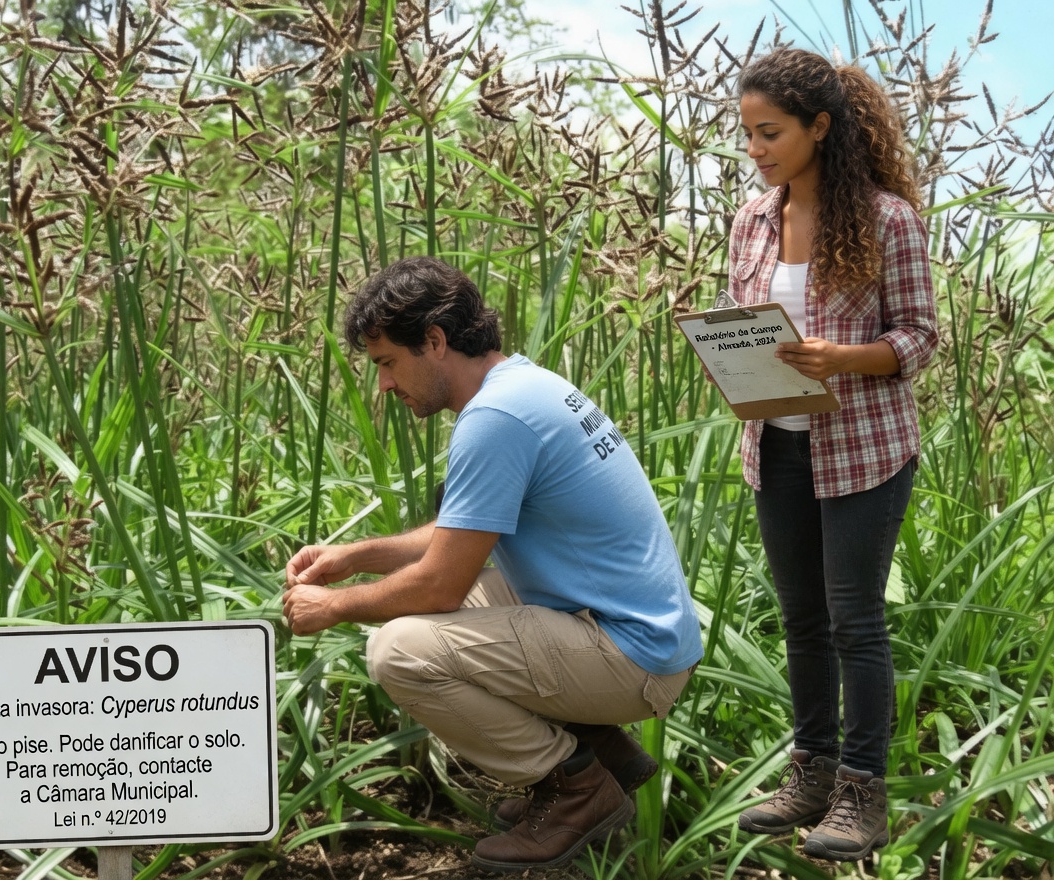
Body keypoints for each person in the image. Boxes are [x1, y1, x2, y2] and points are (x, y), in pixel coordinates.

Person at [283, 256, 704, 873]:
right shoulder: (523, 384)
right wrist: (356, 557)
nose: (383, 386)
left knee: (399, 650)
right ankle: (598, 747)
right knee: (464, 601)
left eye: (386, 364)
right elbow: (460, 535)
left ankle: (575, 789)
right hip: (631, 625)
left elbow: (440, 581)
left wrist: (334, 607)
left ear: (434, 341)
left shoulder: (495, 420)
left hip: (633, 655)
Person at [726, 49, 938, 861]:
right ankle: (808, 775)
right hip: (774, 444)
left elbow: (919, 339)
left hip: (864, 451)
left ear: (820, 126)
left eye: (769, 132)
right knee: (800, 619)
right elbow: (750, 319)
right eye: (747, 134)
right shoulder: (751, 218)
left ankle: (862, 793)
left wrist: (844, 359)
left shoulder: (889, 220)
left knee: (854, 621)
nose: (756, 149)